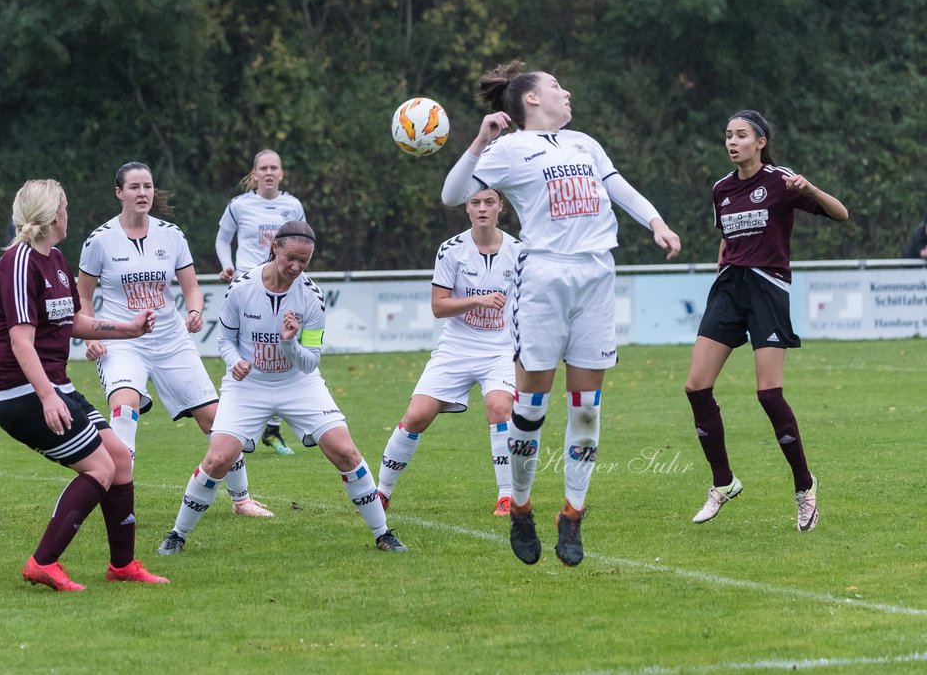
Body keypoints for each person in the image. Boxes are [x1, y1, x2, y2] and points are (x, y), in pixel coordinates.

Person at [441, 60, 681, 567]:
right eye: (555, 87)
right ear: (530, 99)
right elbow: (452, 195)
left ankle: (572, 515)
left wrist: (656, 223)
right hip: (545, 277)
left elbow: (619, 187)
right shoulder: (507, 148)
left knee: (587, 407)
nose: (565, 92)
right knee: (530, 411)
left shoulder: (585, 144)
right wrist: (480, 140)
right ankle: (522, 508)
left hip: (597, 276)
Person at [156, 221, 409, 557]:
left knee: (346, 452)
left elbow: (311, 362)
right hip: (247, 387)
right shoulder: (242, 288)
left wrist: (289, 344)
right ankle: (177, 535)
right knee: (218, 458)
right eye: (291, 258)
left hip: (298, 384)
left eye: (304, 262)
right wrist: (235, 362)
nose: (296, 267)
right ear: (274, 247)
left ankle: (383, 533)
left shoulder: (312, 297)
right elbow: (224, 339)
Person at [0, 179, 168, 591]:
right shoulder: (19, 262)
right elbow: (21, 341)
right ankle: (43, 562)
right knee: (101, 467)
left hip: (53, 385)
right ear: (54, 214)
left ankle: (122, 565)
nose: (69, 214)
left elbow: (71, 322)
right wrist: (48, 396)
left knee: (119, 457)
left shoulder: (54, 259)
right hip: (21, 393)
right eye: (66, 207)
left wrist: (128, 329)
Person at [682, 110, 848, 532]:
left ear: (761, 142)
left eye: (741, 135)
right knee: (696, 387)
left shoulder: (780, 181)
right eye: (727, 135)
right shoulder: (721, 189)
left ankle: (805, 487)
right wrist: (722, 272)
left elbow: (841, 213)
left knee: (769, 395)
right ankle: (723, 483)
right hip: (729, 288)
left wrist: (808, 186)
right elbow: (726, 239)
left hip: (767, 290)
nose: (732, 142)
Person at [78, 162, 272, 519]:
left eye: (148, 186)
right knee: (124, 409)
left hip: (171, 341)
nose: (142, 193)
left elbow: (191, 287)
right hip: (122, 342)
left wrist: (195, 311)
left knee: (217, 420)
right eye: (134, 187)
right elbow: (84, 297)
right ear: (119, 193)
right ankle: (119, 501)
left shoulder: (172, 235)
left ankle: (242, 499)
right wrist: (91, 334)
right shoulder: (100, 240)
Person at [377, 188, 521, 517]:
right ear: (467, 208)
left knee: (499, 407)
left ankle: (506, 496)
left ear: (501, 206)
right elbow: (438, 307)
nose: (482, 208)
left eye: (489, 202)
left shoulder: (519, 252)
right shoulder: (451, 250)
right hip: (457, 346)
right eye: (475, 203)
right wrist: (477, 300)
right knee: (416, 416)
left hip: (500, 348)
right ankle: (381, 492)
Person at [216, 149, 307, 455]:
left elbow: (303, 242)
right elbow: (222, 237)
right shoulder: (239, 205)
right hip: (247, 286)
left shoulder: (292, 205)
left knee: (280, 347)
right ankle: (241, 422)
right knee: (244, 349)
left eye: (274, 168)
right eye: (263, 168)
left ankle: (271, 429)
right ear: (254, 174)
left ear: (282, 173)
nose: (269, 173)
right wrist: (226, 264)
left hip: (283, 288)